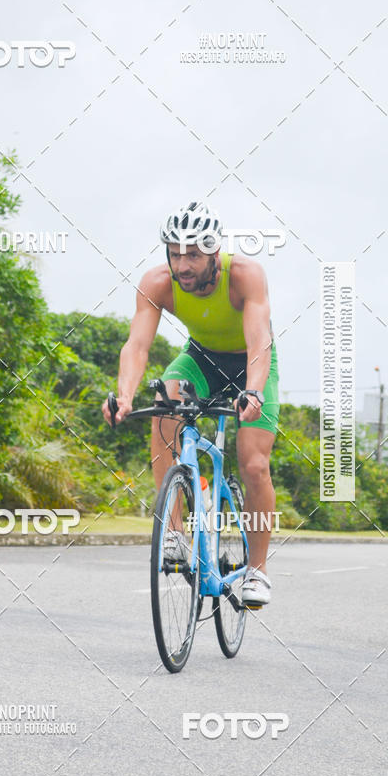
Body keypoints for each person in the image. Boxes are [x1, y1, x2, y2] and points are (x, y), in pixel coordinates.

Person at [102, 202, 280, 606]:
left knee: (254, 464)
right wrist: (124, 396)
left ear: (215, 252)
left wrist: (254, 390)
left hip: (252, 363)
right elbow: (137, 345)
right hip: (201, 359)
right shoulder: (157, 282)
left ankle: (257, 569)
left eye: (193, 255)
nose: (183, 265)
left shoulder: (245, 275)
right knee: (164, 401)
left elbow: (259, 341)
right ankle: (175, 532)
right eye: (175, 253)